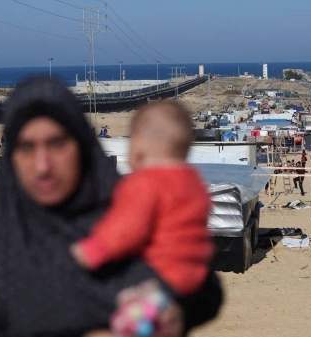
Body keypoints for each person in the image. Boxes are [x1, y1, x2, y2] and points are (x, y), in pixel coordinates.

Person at [0, 77, 222, 336]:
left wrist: (181, 312)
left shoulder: (124, 205)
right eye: (26, 147)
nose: (43, 167)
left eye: (57, 143)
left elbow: (204, 284)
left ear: (81, 145)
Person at [70, 100, 213, 300]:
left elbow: (126, 230)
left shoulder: (145, 183)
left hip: (158, 278)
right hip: (194, 275)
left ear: (139, 145)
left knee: (126, 322)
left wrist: (90, 252)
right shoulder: (193, 181)